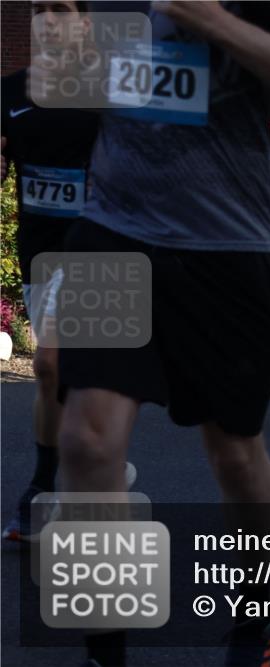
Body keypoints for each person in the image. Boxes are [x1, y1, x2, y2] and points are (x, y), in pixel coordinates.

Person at [55, 3, 270, 665]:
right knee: (86, 437)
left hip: (224, 252)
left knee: (234, 455)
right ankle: (106, 643)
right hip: (114, 238)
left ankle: (256, 612)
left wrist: (210, 20)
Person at [0, 0, 140, 543]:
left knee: (50, 362)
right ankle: (100, 469)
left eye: (59, 9)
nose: (46, 20)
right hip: (42, 249)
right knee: (60, 377)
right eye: (38, 10)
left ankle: (38, 490)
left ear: (84, 23)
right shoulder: (12, 92)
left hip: (102, 249)